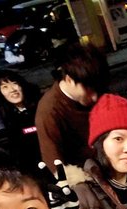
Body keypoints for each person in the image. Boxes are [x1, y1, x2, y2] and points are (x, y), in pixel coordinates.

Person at [35, 43, 110, 175]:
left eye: (97, 89)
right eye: (88, 90)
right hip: (86, 176)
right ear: (69, 79)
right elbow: (54, 162)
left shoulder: (100, 91)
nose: (95, 97)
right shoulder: (49, 110)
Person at [0, 70, 42, 172]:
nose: (12, 90)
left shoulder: (40, 106)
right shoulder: (5, 118)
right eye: (5, 87)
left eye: (14, 83)